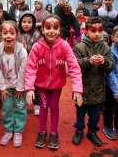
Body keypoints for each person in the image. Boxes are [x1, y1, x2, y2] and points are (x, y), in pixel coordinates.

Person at [25, 14, 83, 149]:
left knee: (54, 106)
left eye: (55, 28)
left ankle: (54, 133)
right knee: (44, 106)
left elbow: (74, 67)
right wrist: (29, 88)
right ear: (43, 30)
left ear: (59, 30)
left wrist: (78, 89)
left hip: (57, 84)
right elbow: (31, 67)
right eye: (48, 27)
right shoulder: (37, 47)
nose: (51, 31)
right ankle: (43, 132)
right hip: (41, 85)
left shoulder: (64, 46)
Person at [72, 17, 115, 147]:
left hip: (98, 89)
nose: (97, 34)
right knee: (80, 112)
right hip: (83, 89)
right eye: (93, 30)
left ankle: (92, 131)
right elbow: (75, 65)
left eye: (100, 30)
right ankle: (79, 130)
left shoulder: (106, 48)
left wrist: (104, 61)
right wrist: (89, 61)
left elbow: (111, 66)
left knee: (95, 115)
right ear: (86, 32)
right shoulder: (79, 47)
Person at [0, 21, 28, 147]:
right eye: (5, 33)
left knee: (20, 107)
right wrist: (2, 88)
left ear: (17, 34)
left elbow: (23, 71)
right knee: (6, 108)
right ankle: (8, 130)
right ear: (1, 34)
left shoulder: (22, 52)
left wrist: (20, 88)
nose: (8, 36)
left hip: (19, 85)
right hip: (5, 86)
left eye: (12, 33)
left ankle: (18, 130)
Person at [19, 11, 40, 115]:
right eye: (24, 22)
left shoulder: (36, 35)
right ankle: (22, 104)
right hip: (20, 65)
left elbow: (38, 51)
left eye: (29, 22)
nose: (26, 24)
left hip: (33, 66)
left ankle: (37, 104)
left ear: (33, 23)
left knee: (35, 86)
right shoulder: (17, 34)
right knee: (21, 85)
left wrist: (27, 49)